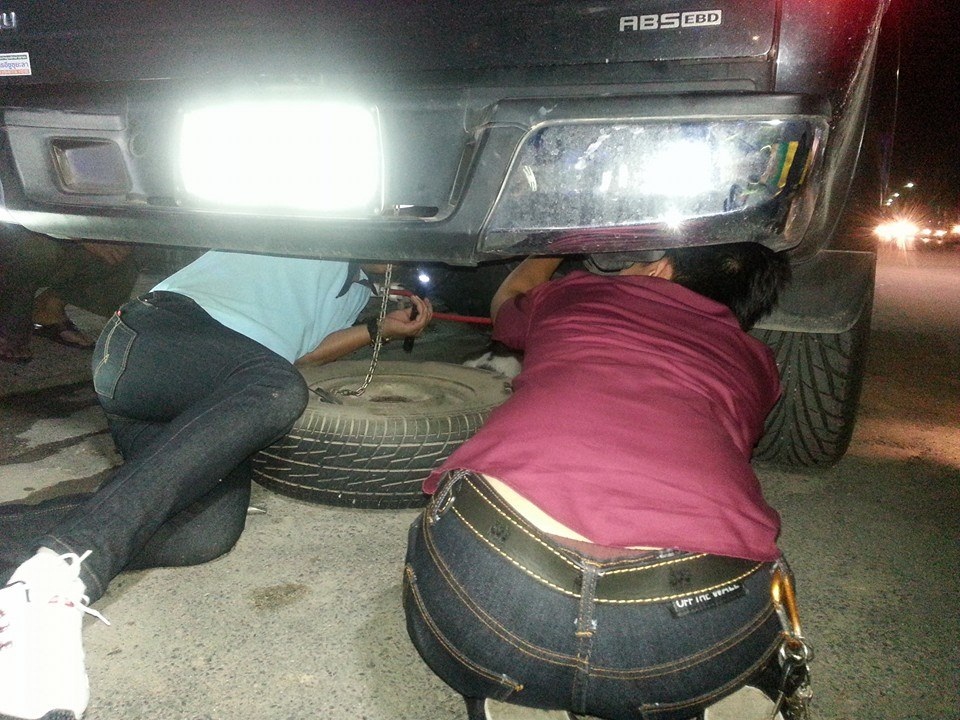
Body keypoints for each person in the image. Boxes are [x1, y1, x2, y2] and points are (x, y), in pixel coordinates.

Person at [0, 249, 432, 720]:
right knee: (276, 386)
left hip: (193, 399)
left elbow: (305, 353)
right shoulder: (315, 234)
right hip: (153, 338)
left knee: (206, 533)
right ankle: (52, 579)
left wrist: (379, 329)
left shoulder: (358, 293)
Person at [402, 243, 805, 720]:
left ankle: (513, 688)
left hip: (498, 595)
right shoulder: (758, 364)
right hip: (693, 628)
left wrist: (559, 241)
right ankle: (709, 692)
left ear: (660, 269)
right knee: (732, 631)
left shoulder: (579, 294)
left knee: (464, 540)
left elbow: (506, 304)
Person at [0, 225, 139, 362]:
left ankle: (48, 309)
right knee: (38, 251)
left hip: (68, 226)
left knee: (131, 247)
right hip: (17, 228)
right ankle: (8, 323)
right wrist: (85, 239)